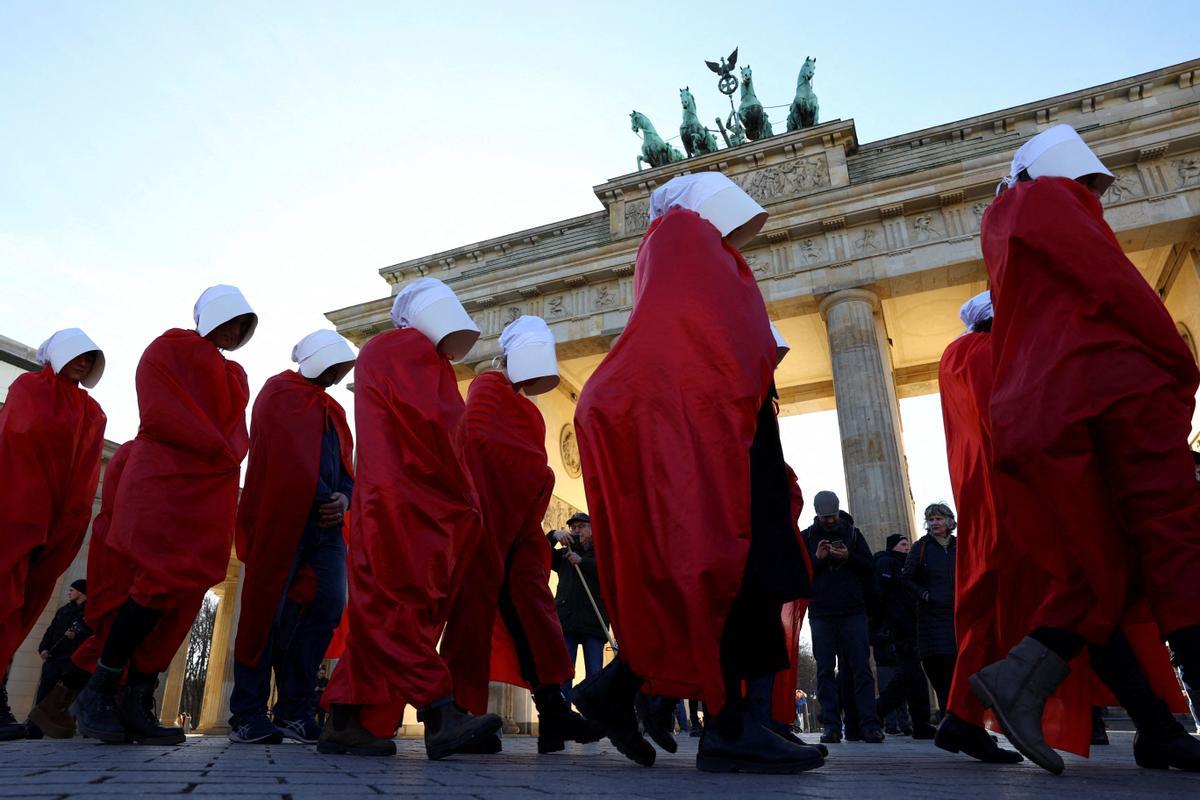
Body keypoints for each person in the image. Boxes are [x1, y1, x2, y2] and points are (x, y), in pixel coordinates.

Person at [572, 172, 822, 774]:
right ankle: (730, 728)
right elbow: (701, 342)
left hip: (731, 417)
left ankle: (633, 696)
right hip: (717, 423)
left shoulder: (695, 251)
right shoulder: (683, 235)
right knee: (733, 568)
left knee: (746, 569)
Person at [970, 125, 1200, 774]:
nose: (1095, 195)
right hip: (1110, 391)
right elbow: (1116, 286)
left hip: (1054, 403)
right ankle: (1151, 720)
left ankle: (1030, 680)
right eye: (1090, 183)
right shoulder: (1047, 200)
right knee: (1174, 545)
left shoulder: (1006, 219)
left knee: (1105, 563)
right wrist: (1177, 361)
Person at [318, 277, 502, 760]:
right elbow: (438, 424)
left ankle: (344, 720)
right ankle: (441, 710)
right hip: (412, 500)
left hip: (391, 498)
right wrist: (466, 491)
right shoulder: (407, 349)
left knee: (382, 607)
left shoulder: (385, 352)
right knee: (400, 607)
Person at [71, 285, 256, 746]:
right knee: (158, 581)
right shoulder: (170, 347)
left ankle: (137, 697)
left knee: (186, 595)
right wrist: (216, 449)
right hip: (168, 479)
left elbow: (237, 431)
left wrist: (224, 456)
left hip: (209, 487)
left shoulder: (235, 374)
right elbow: (161, 412)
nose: (235, 331)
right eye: (230, 321)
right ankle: (100, 688)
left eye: (243, 325)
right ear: (210, 318)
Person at [440, 315, 602, 755]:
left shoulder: (526, 408)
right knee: (477, 615)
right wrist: (537, 479)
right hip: (490, 517)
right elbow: (481, 445)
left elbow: (520, 456)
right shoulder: (488, 388)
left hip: (520, 521)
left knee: (532, 611)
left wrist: (536, 484)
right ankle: (462, 710)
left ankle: (552, 711)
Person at [227, 330, 357, 745]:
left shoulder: (334, 410)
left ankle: (294, 708)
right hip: (280, 519)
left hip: (327, 527)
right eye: (337, 364)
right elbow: (283, 458)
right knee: (266, 611)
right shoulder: (279, 393)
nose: (341, 373)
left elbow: (346, 468)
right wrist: (326, 497)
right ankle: (246, 713)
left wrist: (343, 498)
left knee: (328, 605)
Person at [0, 329, 107, 741]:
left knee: (23, 606)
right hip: (19, 514)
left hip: (55, 523)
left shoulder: (91, 411)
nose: (83, 364)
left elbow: (83, 473)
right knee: (6, 601)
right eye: (78, 355)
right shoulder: (28, 387)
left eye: (90, 359)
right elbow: (17, 447)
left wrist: (66, 521)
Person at [803, 491, 883, 744]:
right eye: (825, 517)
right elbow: (798, 573)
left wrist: (848, 557)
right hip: (821, 612)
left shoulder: (853, 535)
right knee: (825, 670)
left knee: (861, 669)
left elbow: (870, 568)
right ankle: (831, 726)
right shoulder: (806, 537)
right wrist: (817, 559)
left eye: (833, 516)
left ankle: (869, 724)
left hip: (853, 611)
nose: (829, 521)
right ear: (817, 513)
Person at [872, 534, 935, 740]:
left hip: (912, 626)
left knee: (913, 676)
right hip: (898, 628)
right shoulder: (887, 564)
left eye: (908, 544)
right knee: (910, 675)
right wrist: (881, 627)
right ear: (893, 546)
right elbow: (880, 597)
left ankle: (918, 722)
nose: (907, 548)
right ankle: (881, 710)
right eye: (903, 544)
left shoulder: (910, 565)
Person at [903, 503, 958, 717]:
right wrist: (925, 595)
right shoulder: (921, 547)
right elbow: (907, 578)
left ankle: (961, 719)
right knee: (939, 671)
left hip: (956, 615)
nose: (934, 523)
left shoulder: (958, 546)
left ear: (948, 521)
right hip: (931, 619)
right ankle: (947, 716)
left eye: (938, 518)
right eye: (931, 519)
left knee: (959, 671)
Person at [549, 513, 609, 704]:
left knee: (594, 674)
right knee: (565, 672)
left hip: (593, 619)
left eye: (581, 527)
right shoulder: (564, 553)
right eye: (573, 527)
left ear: (592, 529)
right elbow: (538, 552)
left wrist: (582, 562)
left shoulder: (602, 551)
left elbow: (607, 573)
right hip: (567, 620)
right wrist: (552, 535)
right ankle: (564, 714)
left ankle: (595, 717)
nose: (576, 531)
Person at [26, 579, 91, 734]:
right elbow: (51, 630)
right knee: (44, 691)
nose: (69, 592)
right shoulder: (63, 610)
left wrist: (78, 634)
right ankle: (35, 727)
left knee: (69, 695)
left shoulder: (89, 612)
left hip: (73, 660)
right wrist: (44, 648)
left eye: (72, 590)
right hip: (55, 658)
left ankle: (66, 726)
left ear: (81, 592)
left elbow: (93, 635)